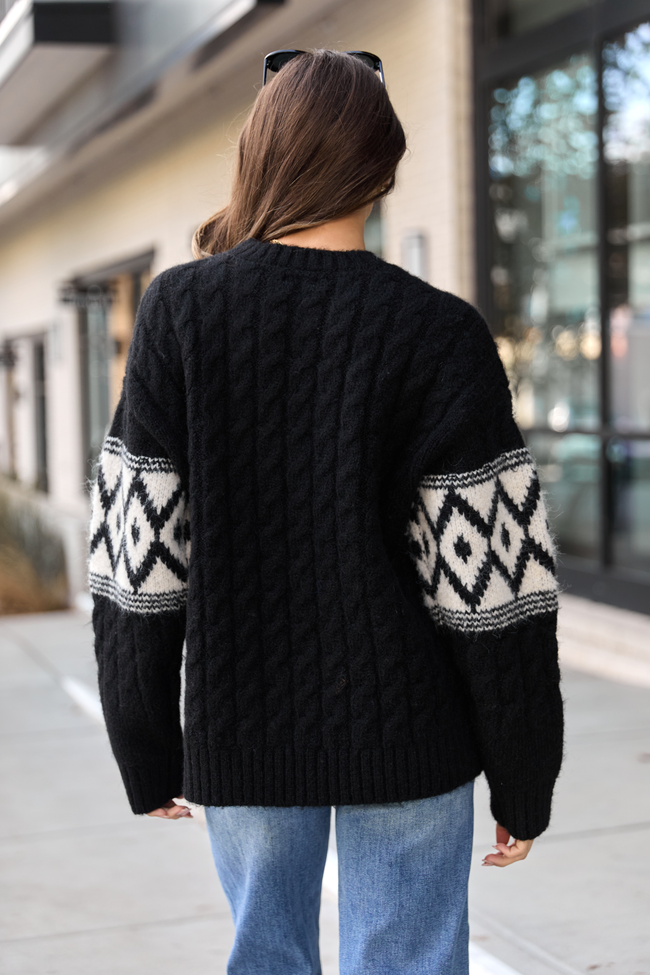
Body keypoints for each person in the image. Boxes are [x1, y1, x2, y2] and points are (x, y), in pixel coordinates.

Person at [88, 48, 563, 975]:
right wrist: (524, 771)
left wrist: (142, 740)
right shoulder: (442, 331)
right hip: (413, 733)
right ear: (384, 168)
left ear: (260, 154)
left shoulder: (180, 311)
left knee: (266, 959)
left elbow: (138, 557)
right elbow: (496, 588)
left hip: (241, 726)